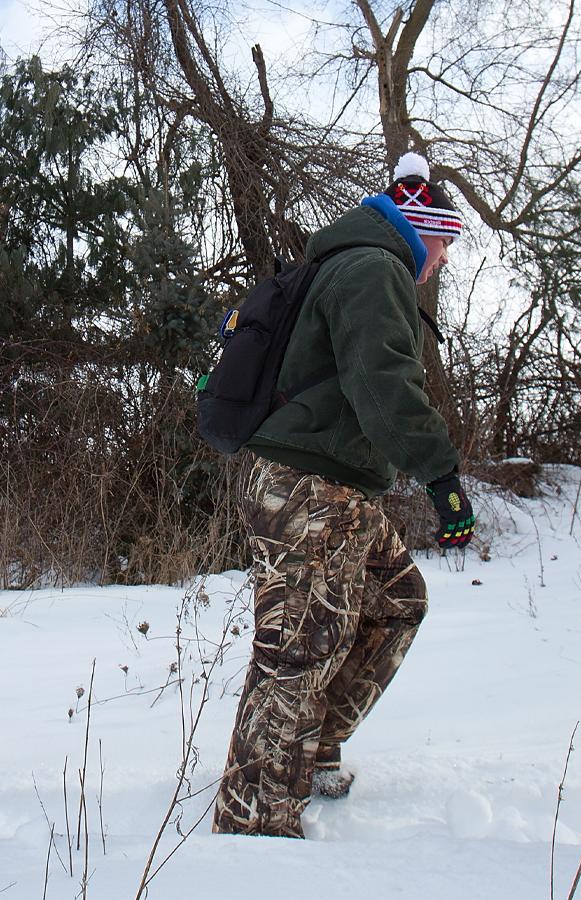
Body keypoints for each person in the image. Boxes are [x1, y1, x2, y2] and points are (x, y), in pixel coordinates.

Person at [212, 153, 476, 838]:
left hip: (336, 485)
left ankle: (312, 744)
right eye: (445, 241)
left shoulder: (362, 262)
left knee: (395, 601)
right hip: (306, 487)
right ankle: (255, 824)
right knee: (299, 648)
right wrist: (441, 476)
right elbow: (384, 384)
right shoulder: (373, 268)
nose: (445, 258)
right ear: (419, 226)